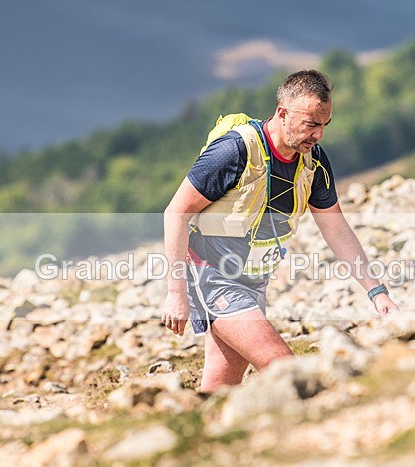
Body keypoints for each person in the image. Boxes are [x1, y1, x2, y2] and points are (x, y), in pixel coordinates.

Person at [162, 69, 398, 392]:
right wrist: (176, 293)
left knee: (219, 390)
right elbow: (176, 212)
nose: (318, 136)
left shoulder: (313, 162)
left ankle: (192, 423)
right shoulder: (234, 151)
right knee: (286, 368)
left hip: (254, 282)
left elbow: (336, 229)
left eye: (325, 125)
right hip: (213, 277)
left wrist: (376, 292)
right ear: (282, 113)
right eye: (311, 124)